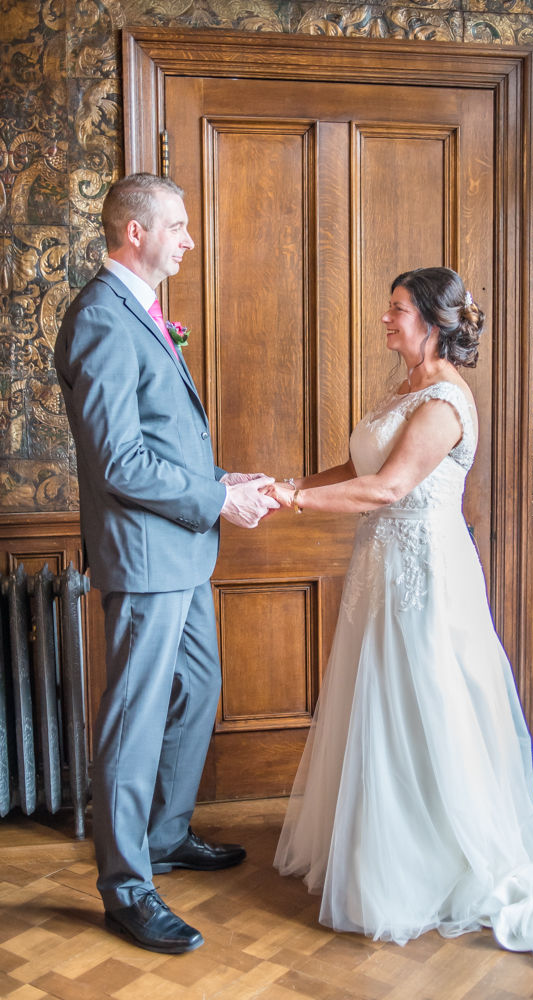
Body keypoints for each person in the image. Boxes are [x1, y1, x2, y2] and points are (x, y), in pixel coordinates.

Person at [270, 267, 533, 990]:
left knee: (430, 704)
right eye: (389, 308)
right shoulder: (402, 390)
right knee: (381, 708)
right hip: (380, 572)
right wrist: (292, 484)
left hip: (425, 576)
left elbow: (392, 489)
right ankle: (382, 845)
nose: (385, 320)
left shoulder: (447, 400)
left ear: (430, 320)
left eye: (396, 310)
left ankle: (434, 863)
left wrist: (295, 501)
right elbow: (363, 466)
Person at [55, 172, 279, 954]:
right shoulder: (101, 318)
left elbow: (159, 444)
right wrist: (216, 501)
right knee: (135, 715)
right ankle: (125, 886)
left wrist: (223, 481)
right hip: (147, 556)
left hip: (181, 550)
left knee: (201, 686)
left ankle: (167, 833)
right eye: (178, 225)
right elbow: (118, 461)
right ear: (134, 233)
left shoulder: (140, 312)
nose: (189, 238)